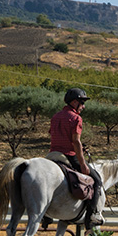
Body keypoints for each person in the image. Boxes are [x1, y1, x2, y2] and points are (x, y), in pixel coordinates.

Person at [47, 88, 104, 226]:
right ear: (74, 102)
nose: (83, 106)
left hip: (52, 154)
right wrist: (83, 163)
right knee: (97, 181)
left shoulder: (55, 117)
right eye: (82, 103)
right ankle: (92, 216)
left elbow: (54, 135)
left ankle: (45, 216)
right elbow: (76, 141)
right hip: (69, 155)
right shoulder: (76, 118)